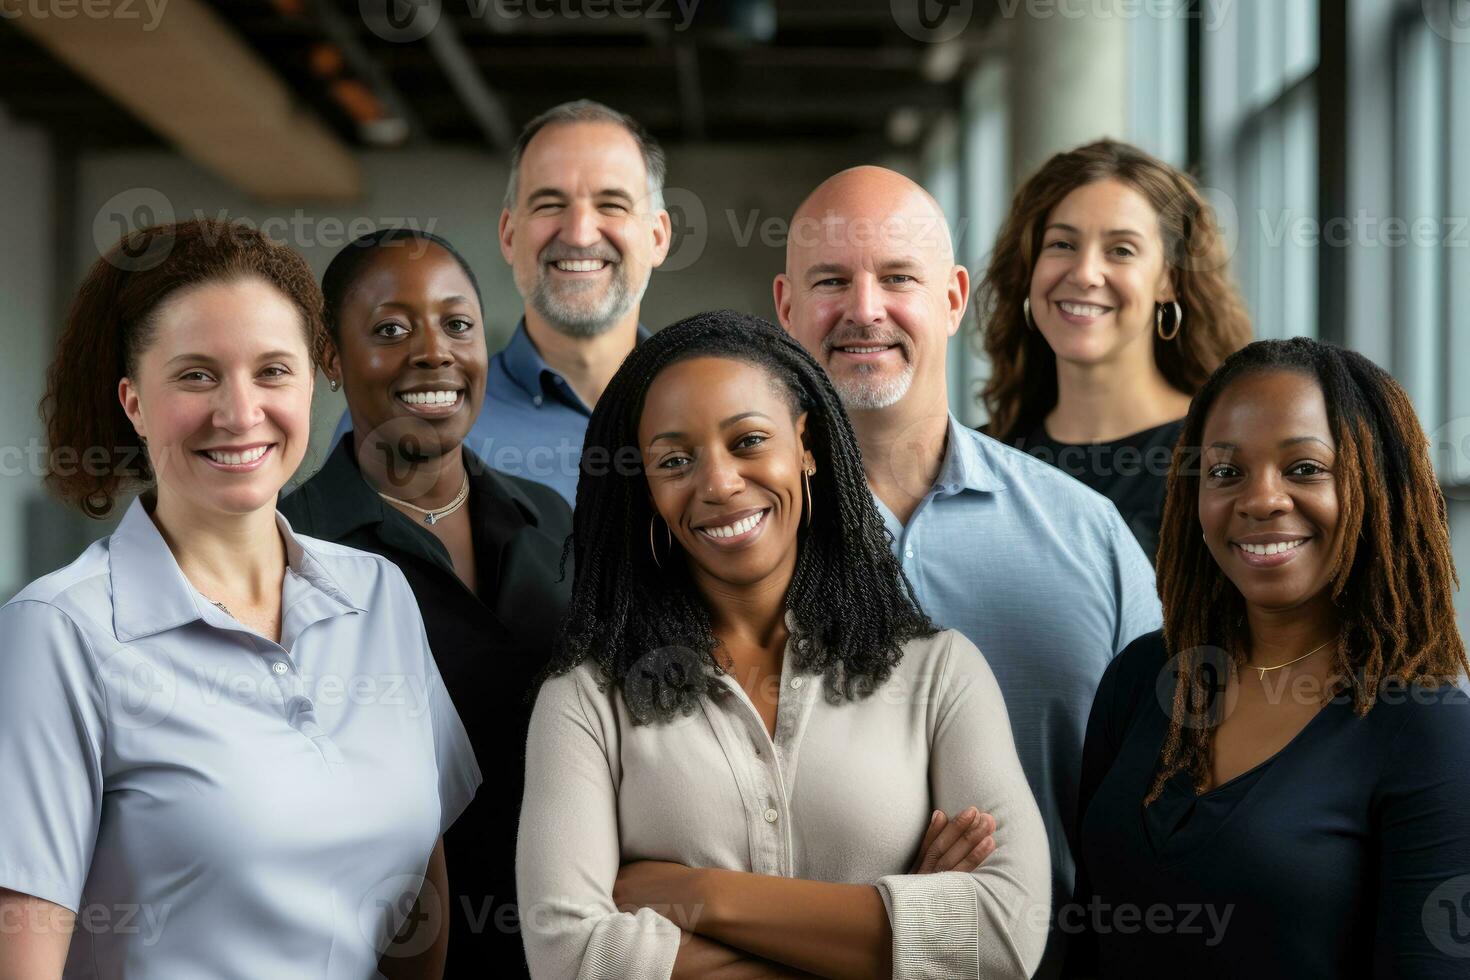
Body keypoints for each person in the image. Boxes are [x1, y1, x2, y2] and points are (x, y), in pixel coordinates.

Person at [0, 219, 480, 978]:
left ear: (313, 381)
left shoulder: (378, 597)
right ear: (133, 402)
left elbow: (419, 903)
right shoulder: (57, 633)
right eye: (196, 375)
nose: (240, 412)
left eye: (273, 371)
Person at [517, 312, 1050, 979]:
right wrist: (888, 941)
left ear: (805, 445)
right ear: (645, 487)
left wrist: (697, 896)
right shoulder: (585, 697)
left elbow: (1006, 932)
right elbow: (567, 958)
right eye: (675, 460)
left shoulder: (940, 673)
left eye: (747, 441)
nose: (717, 483)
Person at [774, 165, 1161, 976]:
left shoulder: (1087, 534)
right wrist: (886, 911)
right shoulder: (733, 545)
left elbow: (1167, 797)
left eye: (897, 278)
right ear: (785, 308)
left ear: (953, 298)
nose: (865, 309)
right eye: (831, 281)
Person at [1068, 338, 1470, 977]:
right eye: (1226, 472)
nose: (1260, 499)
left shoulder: (1428, 729)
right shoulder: (1146, 676)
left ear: (1379, 486)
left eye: (1305, 468)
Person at [280, 228, 572, 976]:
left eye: (458, 324)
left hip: (573, 949)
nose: (434, 351)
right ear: (332, 360)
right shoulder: (292, 552)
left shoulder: (555, 523)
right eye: (390, 330)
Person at [329, 99, 670, 504]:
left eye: (611, 205)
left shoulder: (716, 413)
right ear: (509, 235)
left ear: (657, 237)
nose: (579, 234)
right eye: (550, 204)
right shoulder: (395, 416)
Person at [977, 139, 1252, 561]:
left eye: (1121, 250)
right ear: (1028, 268)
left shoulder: (1222, 454)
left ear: (1169, 279)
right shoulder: (979, 459)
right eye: (1062, 245)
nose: (1086, 273)